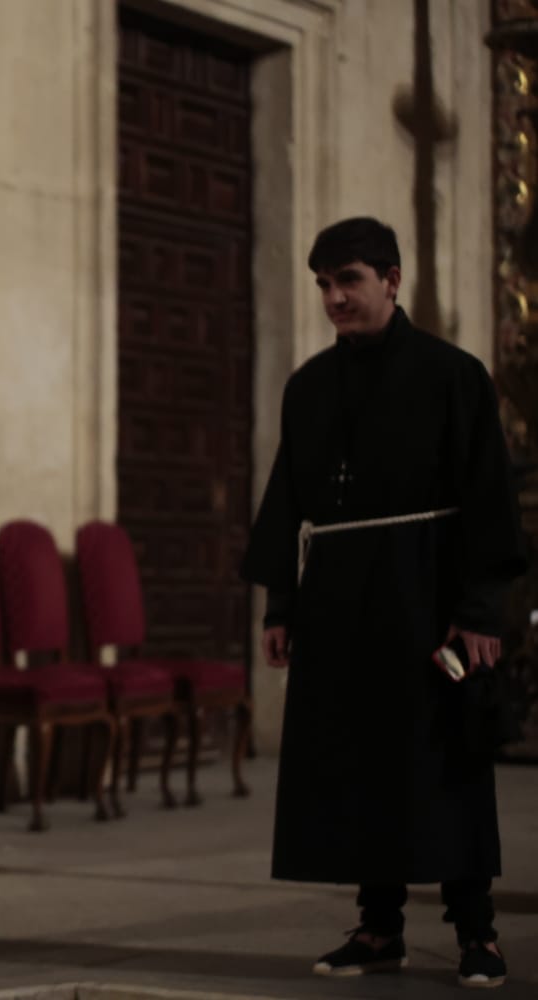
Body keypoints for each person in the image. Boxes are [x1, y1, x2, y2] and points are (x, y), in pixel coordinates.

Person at [242, 218, 525, 989]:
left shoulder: (452, 375)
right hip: (338, 601)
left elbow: (488, 498)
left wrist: (479, 608)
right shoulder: (307, 388)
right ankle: (378, 930)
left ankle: (479, 933)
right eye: (325, 285)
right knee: (359, 761)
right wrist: (279, 608)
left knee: (445, 759)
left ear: (391, 279)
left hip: (429, 594)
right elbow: (288, 503)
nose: (335, 298)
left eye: (350, 281)